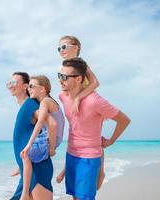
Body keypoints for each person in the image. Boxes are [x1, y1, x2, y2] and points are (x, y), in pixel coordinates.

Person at [58, 58, 130, 200]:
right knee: (74, 196)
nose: (60, 80)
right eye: (59, 76)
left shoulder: (95, 101)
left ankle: (100, 174)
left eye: (64, 77)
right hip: (71, 153)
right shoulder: (63, 97)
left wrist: (111, 140)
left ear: (78, 79)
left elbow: (124, 120)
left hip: (89, 157)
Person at [56, 36, 105, 190]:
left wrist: (78, 98)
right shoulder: (65, 66)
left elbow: (95, 83)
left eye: (64, 47)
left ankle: (100, 171)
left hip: (88, 107)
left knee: (91, 139)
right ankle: (69, 169)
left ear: (76, 47)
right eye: (59, 48)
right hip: (78, 108)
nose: (61, 50)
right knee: (75, 136)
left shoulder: (81, 64)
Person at [7, 72, 54, 200]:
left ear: (25, 86)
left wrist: (51, 148)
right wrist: (20, 165)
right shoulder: (25, 106)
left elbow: (51, 123)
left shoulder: (31, 105)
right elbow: (28, 135)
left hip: (37, 169)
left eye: (14, 83)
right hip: (27, 170)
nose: (10, 86)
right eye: (9, 83)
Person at [20, 75, 65, 200]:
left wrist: (49, 148)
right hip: (54, 137)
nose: (29, 89)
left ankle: (24, 194)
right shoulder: (50, 101)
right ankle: (21, 169)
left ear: (43, 89)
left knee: (25, 155)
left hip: (50, 138)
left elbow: (47, 123)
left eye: (31, 86)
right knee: (26, 157)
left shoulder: (45, 102)